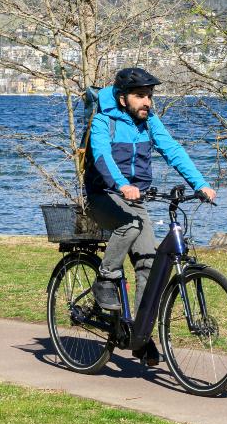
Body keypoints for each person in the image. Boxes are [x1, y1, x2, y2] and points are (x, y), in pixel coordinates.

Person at [84, 67, 216, 366]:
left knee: (149, 264)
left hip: (135, 199)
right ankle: (106, 278)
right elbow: (102, 156)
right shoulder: (104, 121)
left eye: (149, 96)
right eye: (140, 96)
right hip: (103, 196)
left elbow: (173, 150)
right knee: (130, 224)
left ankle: (139, 335)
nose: (147, 102)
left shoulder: (149, 122)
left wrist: (200, 184)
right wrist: (121, 185)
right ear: (122, 99)